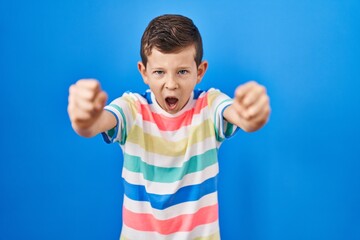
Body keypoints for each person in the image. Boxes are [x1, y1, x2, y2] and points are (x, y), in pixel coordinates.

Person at [68, 14, 270, 240]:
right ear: (144, 72)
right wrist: (84, 119)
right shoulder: (132, 109)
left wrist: (252, 115)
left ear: (200, 72)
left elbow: (242, 117)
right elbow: (94, 125)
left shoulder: (209, 106)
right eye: (159, 72)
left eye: (182, 71)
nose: (171, 84)